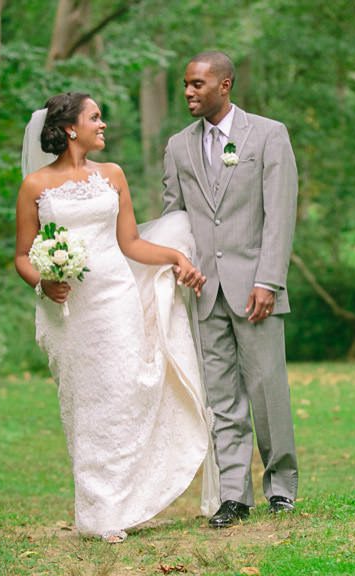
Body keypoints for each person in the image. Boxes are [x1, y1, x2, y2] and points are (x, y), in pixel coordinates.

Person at [14, 92, 218, 543]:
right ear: (70, 128)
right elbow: (23, 255)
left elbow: (130, 243)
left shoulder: (113, 176)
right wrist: (43, 283)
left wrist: (174, 258)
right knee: (86, 403)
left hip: (116, 297)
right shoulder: (35, 186)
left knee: (125, 393)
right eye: (95, 117)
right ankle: (96, 512)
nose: (102, 124)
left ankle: (123, 503)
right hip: (70, 308)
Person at [162, 51, 300, 528]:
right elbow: (173, 218)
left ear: (225, 85)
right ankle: (234, 497)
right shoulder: (178, 146)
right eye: (185, 84)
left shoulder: (268, 135)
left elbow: (279, 214)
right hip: (205, 292)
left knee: (267, 391)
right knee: (221, 398)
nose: (188, 92)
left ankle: (281, 487)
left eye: (197, 84)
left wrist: (269, 280)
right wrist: (182, 266)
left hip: (255, 287)